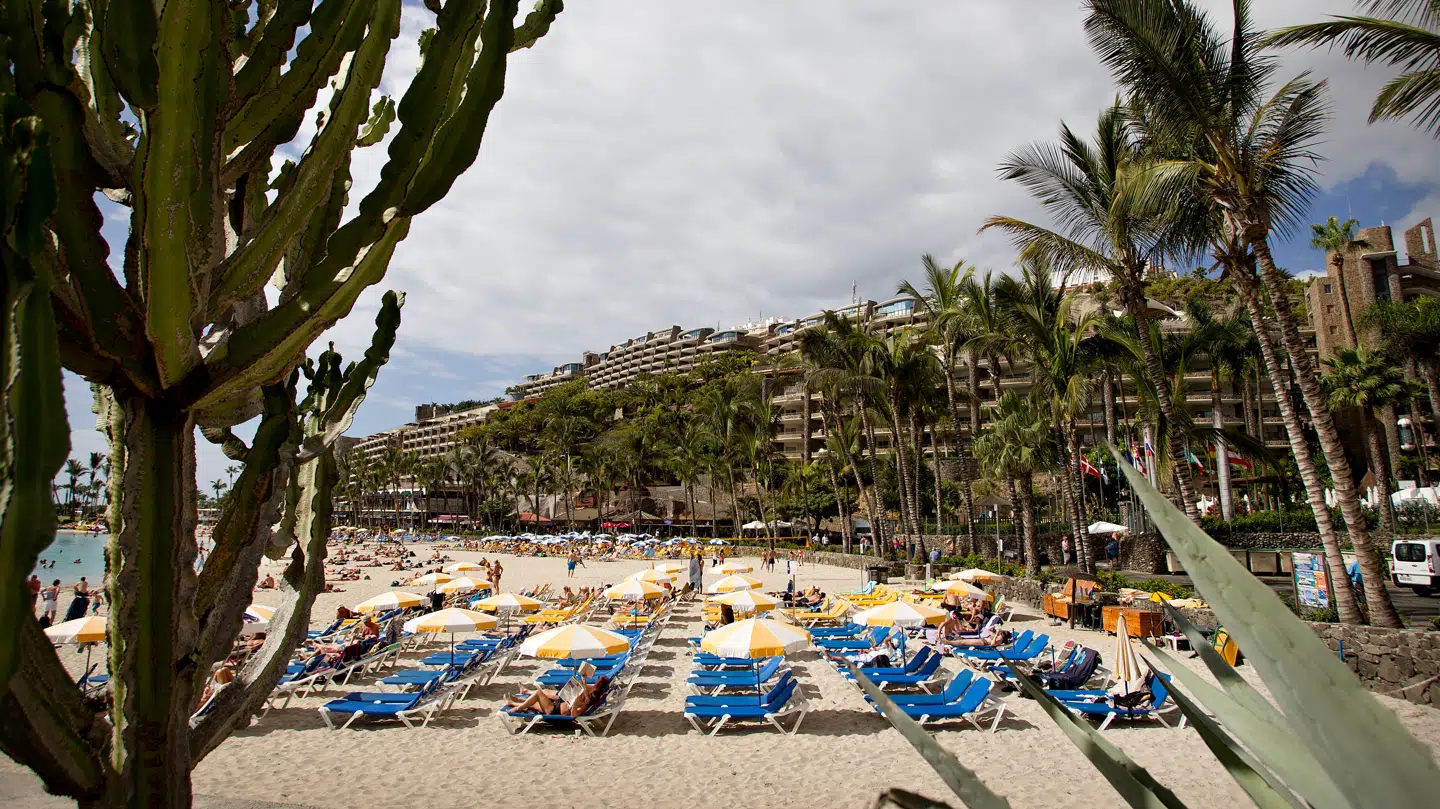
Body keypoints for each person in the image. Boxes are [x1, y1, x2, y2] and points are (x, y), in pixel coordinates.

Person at [505, 675, 611, 717]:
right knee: (534, 704)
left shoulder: (584, 704)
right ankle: (513, 702)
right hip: (555, 707)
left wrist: (574, 704)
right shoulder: (588, 699)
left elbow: (574, 715)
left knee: (538, 693)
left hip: (553, 710)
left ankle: (517, 707)